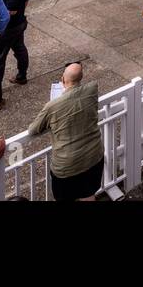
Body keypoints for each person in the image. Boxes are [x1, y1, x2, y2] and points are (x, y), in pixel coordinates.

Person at [27, 63, 105, 201]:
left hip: (66, 167)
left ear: (63, 80)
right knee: (88, 195)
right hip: (93, 156)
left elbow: (33, 129)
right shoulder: (92, 90)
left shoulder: (52, 106)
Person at [0, 0, 30, 86]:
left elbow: (12, 11)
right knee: (20, 50)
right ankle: (22, 77)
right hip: (20, 23)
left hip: (9, 29)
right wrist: (22, 11)